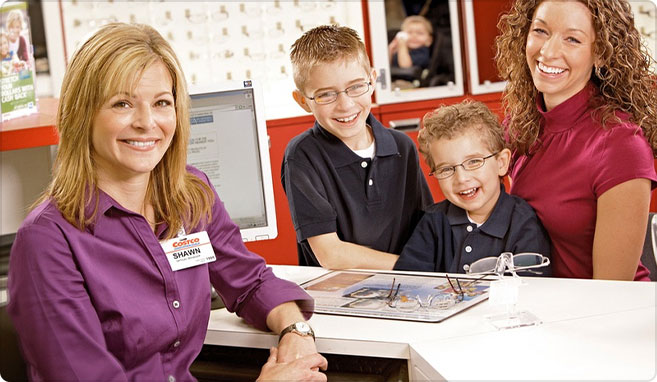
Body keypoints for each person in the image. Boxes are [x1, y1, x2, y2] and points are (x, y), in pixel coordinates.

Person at [7, 23, 327, 381]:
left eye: (161, 103)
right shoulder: (47, 241)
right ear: (83, 115)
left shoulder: (190, 195)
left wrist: (296, 332)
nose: (147, 123)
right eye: (123, 103)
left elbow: (250, 282)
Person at [495, 0, 657, 280]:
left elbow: (611, 290)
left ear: (602, 54)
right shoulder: (520, 123)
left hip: (601, 313)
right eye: (541, 31)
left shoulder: (620, 145)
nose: (548, 51)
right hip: (537, 305)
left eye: (572, 39)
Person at [283, 25, 433, 269]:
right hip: (341, 297)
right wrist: (412, 266)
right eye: (326, 95)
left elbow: (425, 227)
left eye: (355, 87)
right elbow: (331, 254)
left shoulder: (401, 147)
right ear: (303, 101)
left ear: (372, 81)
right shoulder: (302, 156)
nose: (345, 105)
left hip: (408, 292)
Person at [394, 100, 551, 273]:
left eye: (474, 162)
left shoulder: (523, 223)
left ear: (501, 163)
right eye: (446, 169)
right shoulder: (433, 222)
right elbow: (410, 282)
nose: (461, 178)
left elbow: (531, 291)